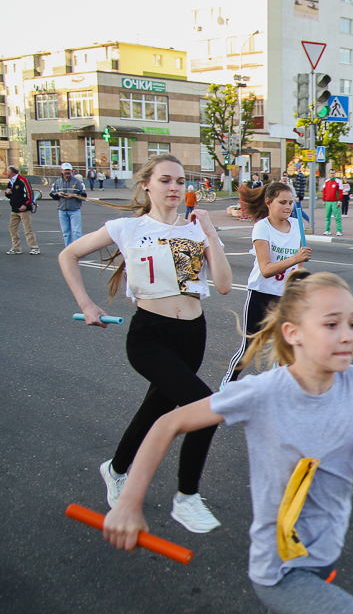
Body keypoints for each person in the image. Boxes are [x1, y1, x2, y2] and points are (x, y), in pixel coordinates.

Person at [102, 270, 353, 614]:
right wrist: (129, 503)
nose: (347, 335)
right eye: (330, 324)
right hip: (283, 567)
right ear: (293, 333)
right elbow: (169, 422)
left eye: (349, 322)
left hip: (324, 553)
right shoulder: (263, 392)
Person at [57, 153, 233, 533]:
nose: (174, 187)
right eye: (166, 180)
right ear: (147, 186)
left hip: (192, 335)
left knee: (155, 409)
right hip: (150, 335)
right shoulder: (128, 228)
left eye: (181, 181)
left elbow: (222, 285)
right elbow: (68, 254)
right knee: (206, 409)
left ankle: (116, 468)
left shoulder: (194, 231)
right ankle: (186, 497)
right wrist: (86, 305)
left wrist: (211, 234)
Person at [221, 181, 312, 389]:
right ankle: (228, 384)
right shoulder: (262, 227)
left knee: (288, 347)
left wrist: (301, 279)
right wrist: (295, 258)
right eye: (282, 202)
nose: (288, 207)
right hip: (261, 294)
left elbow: (298, 268)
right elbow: (266, 268)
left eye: (291, 203)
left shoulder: (298, 227)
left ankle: (279, 386)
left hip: (286, 297)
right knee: (250, 345)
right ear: (269, 203)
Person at [51, 162, 88, 246]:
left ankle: (78, 248)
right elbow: (52, 194)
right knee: (65, 232)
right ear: (61, 171)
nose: (67, 172)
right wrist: (58, 194)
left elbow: (84, 195)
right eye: (65, 170)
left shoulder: (78, 182)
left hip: (74, 209)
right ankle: (68, 248)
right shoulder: (57, 182)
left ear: (72, 171)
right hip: (62, 209)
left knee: (76, 231)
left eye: (69, 170)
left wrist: (73, 195)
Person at [5, 165, 39, 255]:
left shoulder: (22, 180)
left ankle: (34, 248)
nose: (6, 173)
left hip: (24, 210)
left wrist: (26, 204)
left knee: (27, 229)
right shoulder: (11, 181)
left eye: (7, 171)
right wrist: (7, 193)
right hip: (15, 209)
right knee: (12, 228)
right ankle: (16, 248)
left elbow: (29, 193)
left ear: (11, 172)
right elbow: (10, 194)